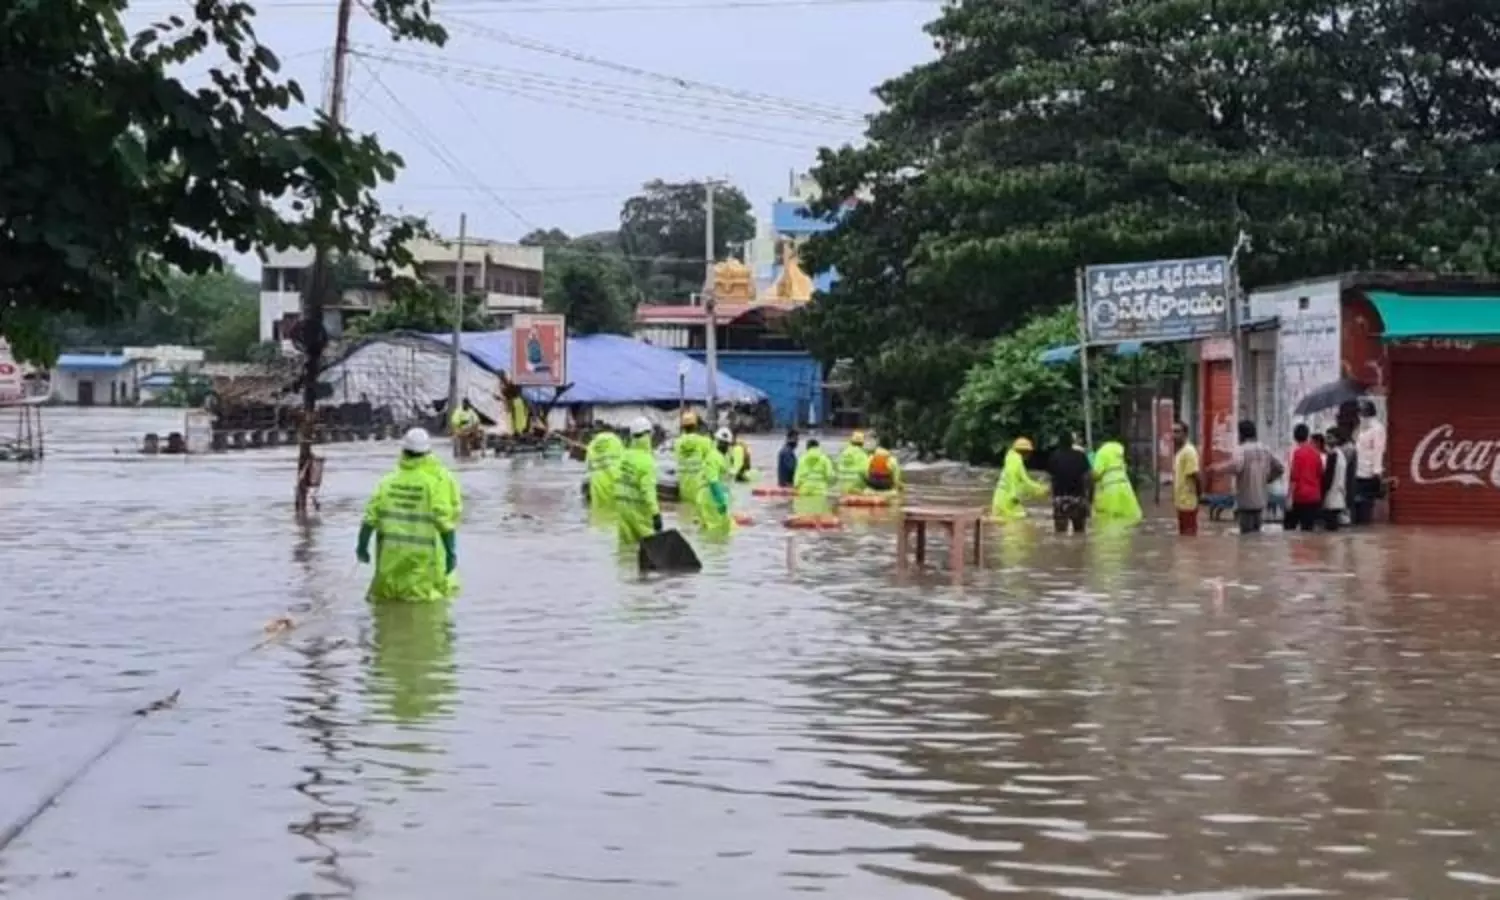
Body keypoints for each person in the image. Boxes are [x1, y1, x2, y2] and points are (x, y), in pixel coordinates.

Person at [357, 428, 459, 603]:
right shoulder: (434, 482)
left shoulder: (387, 482)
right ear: (428, 452)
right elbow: (444, 521)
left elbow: (369, 519)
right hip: (422, 570)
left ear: (403, 451)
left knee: (386, 614)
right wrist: (451, 553)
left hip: (389, 568)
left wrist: (362, 547)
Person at [1222, 420, 1284, 534]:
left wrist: (1218, 468)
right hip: (1261, 501)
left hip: (1245, 501)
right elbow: (1280, 468)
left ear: (1241, 434)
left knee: (1246, 539)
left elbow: (1236, 466)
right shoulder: (1265, 449)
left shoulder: (1241, 450)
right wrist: (1269, 479)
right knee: (1257, 535)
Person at [616, 417, 662, 545]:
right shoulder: (647, 461)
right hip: (639, 513)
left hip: (623, 511)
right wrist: (656, 514)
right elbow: (649, 491)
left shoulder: (624, 456)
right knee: (649, 547)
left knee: (626, 551)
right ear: (648, 435)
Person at [693, 428, 735, 535]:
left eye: (726, 444)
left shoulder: (719, 457)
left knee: (707, 529)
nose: (725, 446)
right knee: (716, 530)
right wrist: (721, 502)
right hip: (711, 498)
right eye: (723, 443)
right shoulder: (714, 457)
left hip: (708, 498)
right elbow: (713, 482)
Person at [991, 437, 1045, 520]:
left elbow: (1019, 481)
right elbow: (1025, 481)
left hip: (998, 499)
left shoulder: (1010, 459)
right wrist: (1041, 488)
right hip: (1009, 501)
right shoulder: (1017, 462)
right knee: (1017, 525)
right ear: (1025, 452)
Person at [1091, 439, 1143, 525]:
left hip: (1110, 487)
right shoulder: (1118, 451)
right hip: (1125, 484)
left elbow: (1097, 473)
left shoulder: (1101, 453)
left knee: (1111, 519)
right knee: (1130, 515)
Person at [1046, 434, 1092, 534]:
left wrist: (1052, 496)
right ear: (1072, 442)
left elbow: (1050, 478)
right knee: (1080, 533)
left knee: (1060, 533)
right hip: (1077, 498)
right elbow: (1088, 478)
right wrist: (1089, 498)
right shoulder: (1080, 456)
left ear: (1059, 443)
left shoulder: (1054, 456)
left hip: (1060, 499)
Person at [1352, 400, 1386, 525]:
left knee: (1365, 504)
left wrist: (1377, 472)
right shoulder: (1361, 428)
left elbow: (1379, 450)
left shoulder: (1377, 429)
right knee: (1357, 503)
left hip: (1369, 473)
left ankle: (1365, 527)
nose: (1360, 414)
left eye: (1362, 411)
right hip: (1358, 470)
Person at [1286, 423, 1324, 532]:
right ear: (1307, 436)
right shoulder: (1316, 453)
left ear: (1294, 437)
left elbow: (1294, 478)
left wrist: (1289, 498)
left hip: (1300, 497)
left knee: (1291, 530)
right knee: (1308, 529)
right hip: (1314, 496)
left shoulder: (1297, 453)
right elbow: (1320, 473)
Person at [674, 412, 714, 511]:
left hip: (683, 488)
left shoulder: (677, 443)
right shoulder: (705, 442)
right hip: (700, 488)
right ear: (696, 425)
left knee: (685, 514)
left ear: (683, 426)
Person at [1172, 421, 1202, 536]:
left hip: (1188, 502)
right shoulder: (1181, 452)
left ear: (1185, 434)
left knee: (1188, 536)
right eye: (1173, 432)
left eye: (1177, 432)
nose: (1174, 435)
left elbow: (1195, 475)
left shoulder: (1189, 451)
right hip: (1181, 501)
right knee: (1184, 536)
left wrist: (1199, 495)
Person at [584, 426, 625, 510]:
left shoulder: (593, 443)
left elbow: (588, 466)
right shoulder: (616, 440)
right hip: (615, 484)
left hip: (597, 486)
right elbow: (624, 462)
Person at [793, 437, 836, 514]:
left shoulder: (802, 459)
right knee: (818, 514)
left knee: (805, 514)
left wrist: (796, 487)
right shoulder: (824, 459)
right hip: (820, 492)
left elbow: (797, 478)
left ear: (807, 447)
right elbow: (830, 476)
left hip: (804, 491)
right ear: (818, 447)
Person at [1321, 428, 1349, 531]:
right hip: (1338, 497)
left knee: (1330, 529)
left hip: (1331, 497)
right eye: (1326, 437)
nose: (1327, 440)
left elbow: (1329, 478)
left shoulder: (1333, 455)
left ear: (1337, 439)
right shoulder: (1340, 454)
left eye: (1330, 438)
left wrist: (1322, 493)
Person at [495, 371, 530, 437]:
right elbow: (505, 395)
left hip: (517, 401)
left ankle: (520, 431)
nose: (501, 378)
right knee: (513, 418)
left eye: (502, 376)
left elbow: (516, 391)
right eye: (500, 377)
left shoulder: (512, 382)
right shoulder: (502, 385)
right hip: (511, 402)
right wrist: (500, 398)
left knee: (519, 417)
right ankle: (516, 432)